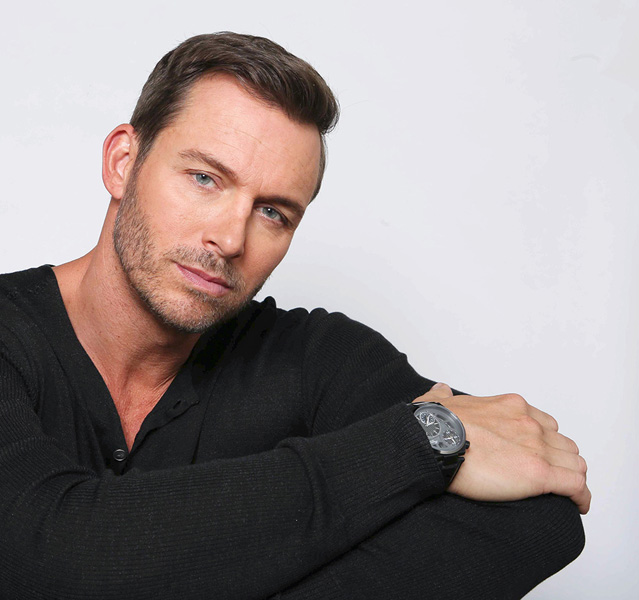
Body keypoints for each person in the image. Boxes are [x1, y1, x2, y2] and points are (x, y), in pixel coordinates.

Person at [0, 32, 589, 600]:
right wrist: (415, 446)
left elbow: (539, 510)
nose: (231, 238)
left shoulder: (317, 359)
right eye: (205, 179)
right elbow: (47, 560)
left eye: (273, 213)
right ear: (123, 162)